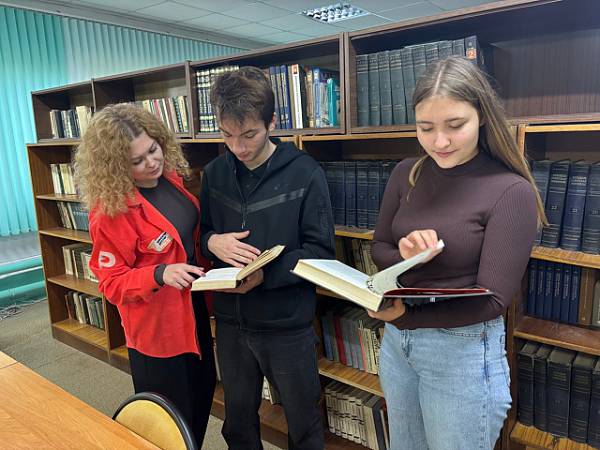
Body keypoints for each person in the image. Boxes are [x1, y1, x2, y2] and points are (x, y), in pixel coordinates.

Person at [369, 56, 546, 450]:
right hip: (398, 345)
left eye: (455, 125)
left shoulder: (510, 190)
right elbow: (379, 247)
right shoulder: (406, 173)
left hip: (462, 350)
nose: (440, 142)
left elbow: (494, 301)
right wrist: (405, 253)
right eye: (425, 128)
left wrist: (407, 317)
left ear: (481, 117)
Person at [200, 66, 335, 450]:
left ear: (272, 122)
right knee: (237, 424)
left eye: (249, 135)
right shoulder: (214, 173)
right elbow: (203, 234)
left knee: (304, 426)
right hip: (231, 322)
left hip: (286, 324)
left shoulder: (305, 172)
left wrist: (267, 274)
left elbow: (320, 252)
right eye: (227, 135)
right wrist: (212, 242)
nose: (238, 147)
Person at [74, 103, 216, 447]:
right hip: (157, 330)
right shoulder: (111, 211)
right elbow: (111, 283)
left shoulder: (170, 180)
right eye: (136, 161)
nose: (151, 162)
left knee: (201, 396)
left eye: (153, 150)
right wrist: (159, 273)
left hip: (192, 310)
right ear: (116, 166)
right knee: (169, 423)